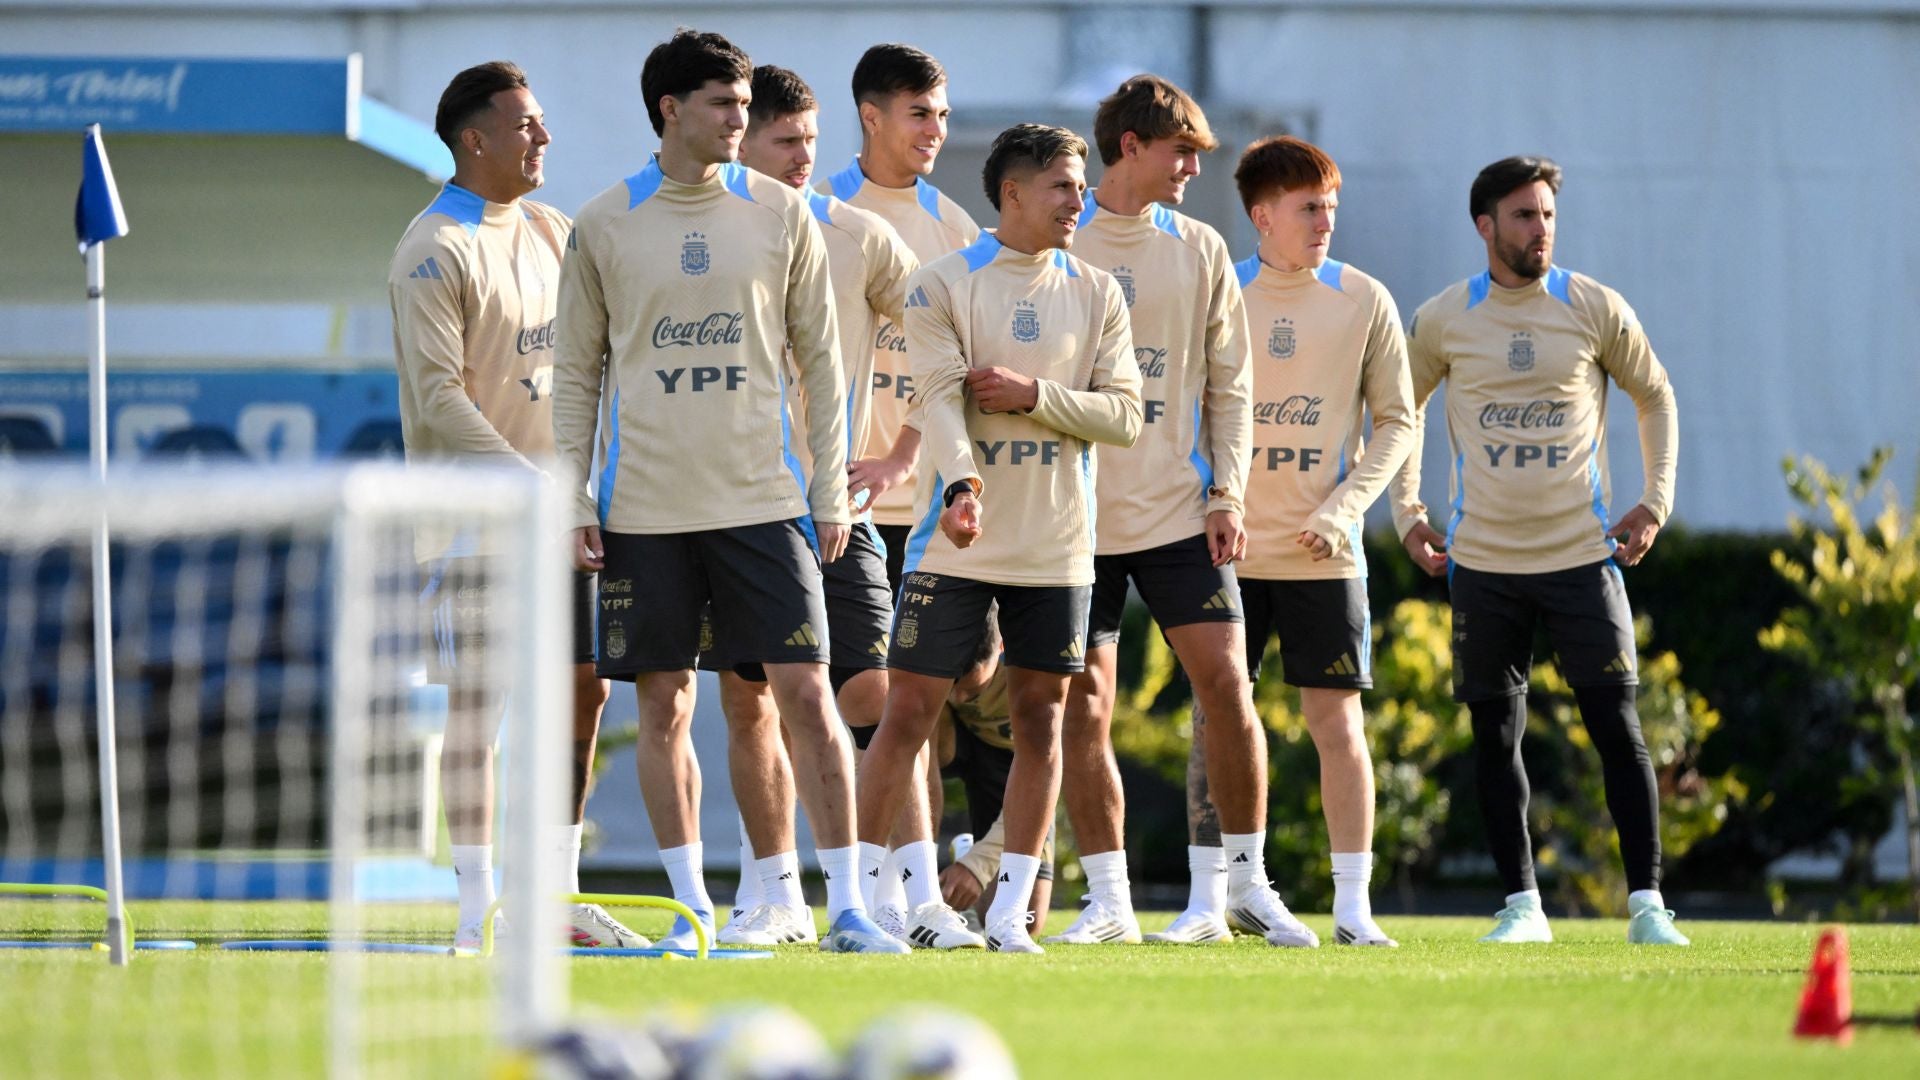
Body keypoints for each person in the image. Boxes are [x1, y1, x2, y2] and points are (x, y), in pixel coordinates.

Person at [549, 29, 904, 955]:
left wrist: (829, 490)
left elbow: (822, 361)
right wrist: (574, 498)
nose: (739, 118)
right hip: (644, 510)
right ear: (670, 109)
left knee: (808, 695)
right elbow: (576, 375)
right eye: (723, 103)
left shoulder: (780, 213)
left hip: (764, 503)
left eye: (746, 104)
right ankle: (692, 912)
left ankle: (849, 909)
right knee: (664, 706)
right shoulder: (603, 222)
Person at [853, 122, 1144, 955]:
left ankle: (1010, 911)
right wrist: (960, 486)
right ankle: (862, 901)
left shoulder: (1098, 290)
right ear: (1012, 192)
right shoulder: (942, 282)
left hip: (1058, 548)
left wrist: (1034, 395)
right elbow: (939, 400)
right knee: (907, 712)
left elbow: (1125, 415)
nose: (1079, 199)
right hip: (957, 542)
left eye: (1081, 184)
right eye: (1062, 185)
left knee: (1041, 721)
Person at [1046, 75, 1319, 949]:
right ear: (1131, 147)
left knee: (1229, 687)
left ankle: (1241, 889)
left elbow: (1232, 388)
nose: (1195, 170)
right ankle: (1109, 903)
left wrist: (1227, 492)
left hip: (1178, 517)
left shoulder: (1200, 247)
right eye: (1182, 153)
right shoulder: (1060, 237)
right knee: (1086, 708)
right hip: (1074, 524)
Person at [1389, 155, 1686, 945]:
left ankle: (1648, 907)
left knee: (1617, 727)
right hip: (1483, 563)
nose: (1541, 229)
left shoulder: (1593, 306)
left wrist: (1655, 502)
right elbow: (1397, 409)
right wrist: (1407, 512)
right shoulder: (1444, 318)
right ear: (1485, 226)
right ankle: (1522, 907)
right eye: (1524, 215)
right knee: (1496, 737)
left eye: (1548, 214)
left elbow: (1655, 394)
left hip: (1583, 558)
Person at [387, 60, 644, 952]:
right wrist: (535, 486)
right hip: (475, 524)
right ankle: (476, 909)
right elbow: (439, 398)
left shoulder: (551, 229)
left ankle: (559, 899)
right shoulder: (432, 246)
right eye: (526, 123)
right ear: (475, 139)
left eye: (541, 122)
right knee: (479, 704)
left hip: (565, 515)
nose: (544, 136)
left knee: (584, 693)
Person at [709, 64, 916, 948]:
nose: (803, 157)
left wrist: (905, 453)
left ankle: (894, 888)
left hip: (836, 508)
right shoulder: (703, 230)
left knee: (874, 693)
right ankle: (775, 895)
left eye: (810, 141)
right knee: (749, 703)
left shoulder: (859, 235)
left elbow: (943, 335)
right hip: (728, 507)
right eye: (785, 140)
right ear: (742, 143)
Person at [1212, 134, 1417, 947]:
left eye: (1331, 207)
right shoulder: (1221, 291)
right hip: (1227, 553)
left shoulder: (1365, 298)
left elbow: (1397, 422)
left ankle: (1353, 908)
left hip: (1324, 555)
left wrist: (1344, 509)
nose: (1325, 221)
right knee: (1219, 720)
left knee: (1337, 724)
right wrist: (1213, 502)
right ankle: (1217, 897)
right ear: (1262, 216)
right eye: (1308, 208)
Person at [818, 42, 983, 936]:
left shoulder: (955, 229)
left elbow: (952, 372)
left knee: (903, 707)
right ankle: (799, 894)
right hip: (824, 506)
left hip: (915, 514)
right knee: (823, 705)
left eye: (943, 115)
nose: (936, 131)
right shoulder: (818, 213)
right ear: (870, 115)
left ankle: (907, 897)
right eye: (921, 113)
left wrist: (902, 459)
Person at [933, 606, 1055, 935]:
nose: (960, 698)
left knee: (1023, 920)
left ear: (1002, 648)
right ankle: (913, 890)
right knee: (916, 716)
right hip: (951, 742)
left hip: (1012, 759)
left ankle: (968, 848)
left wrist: (978, 863)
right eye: (953, 686)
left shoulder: (1037, 662)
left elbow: (1047, 772)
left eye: (972, 690)